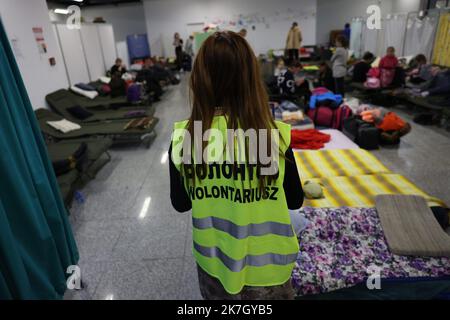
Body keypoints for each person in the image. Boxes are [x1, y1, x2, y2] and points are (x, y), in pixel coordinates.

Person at [169, 31, 304, 300]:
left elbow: (181, 203)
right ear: (251, 79)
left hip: (215, 263)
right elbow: (295, 200)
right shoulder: (272, 136)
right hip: (270, 270)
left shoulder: (186, 137)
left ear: (199, 80)